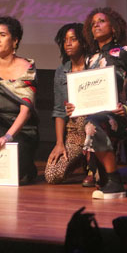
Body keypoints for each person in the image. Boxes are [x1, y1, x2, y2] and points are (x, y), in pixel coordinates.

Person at [66, 8, 127, 199]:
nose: (96, 24)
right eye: (93, 23)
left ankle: (116, 184)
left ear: (114, 28)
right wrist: (74, 106)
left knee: (93, 125)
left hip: (117, 115)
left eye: (102, 21)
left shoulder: (124, 52)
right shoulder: (90, 58)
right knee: (100, 182)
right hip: (94, 116)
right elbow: (87, 91)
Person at [0, 16, 39, 184]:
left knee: (17, 174)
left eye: (2, 35)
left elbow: (26, 110)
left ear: (15, 40)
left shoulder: (27, 68)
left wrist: (7, 137)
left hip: (19, 128)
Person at [45, 23, 92, 185]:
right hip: (74, 134)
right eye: (65, 40)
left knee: (102, 177)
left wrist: (81, 106)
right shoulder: (61, 71)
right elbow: (59, 110)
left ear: (84, 42)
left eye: (73, 39)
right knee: (52, 175)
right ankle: (80, 160)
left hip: (96, 131)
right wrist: (60, 144)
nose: (68, 43)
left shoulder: (95, 66)